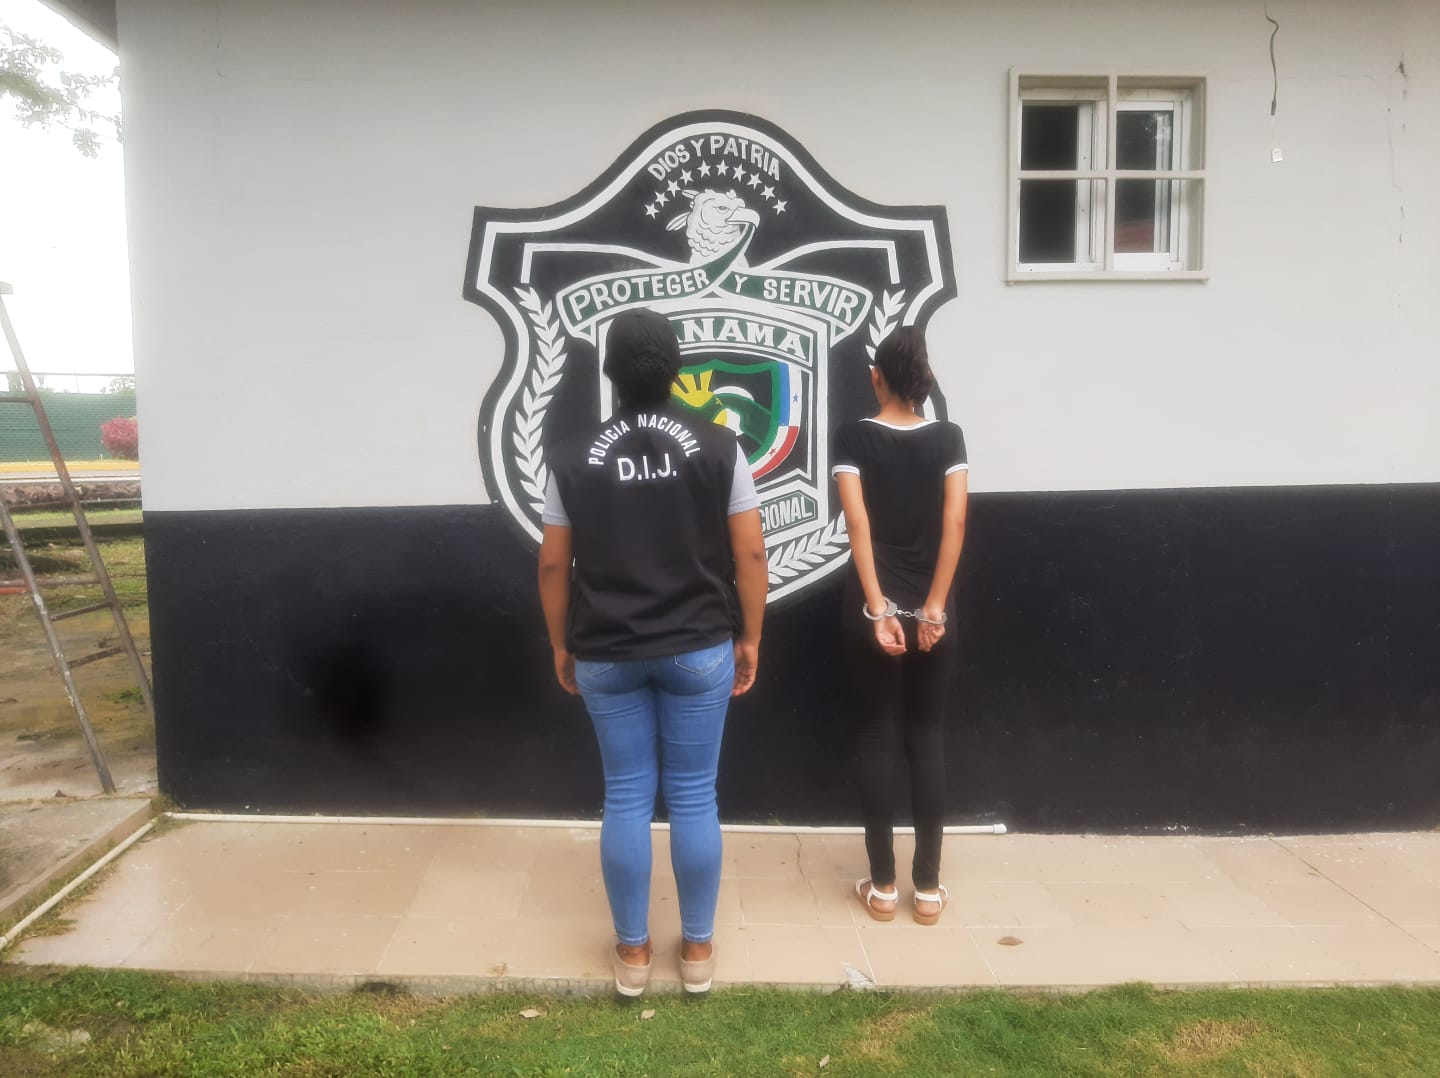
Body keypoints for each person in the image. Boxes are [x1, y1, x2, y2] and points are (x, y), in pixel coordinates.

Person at [537, 308, 769, 997]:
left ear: (610, 372)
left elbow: (552, 565)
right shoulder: (721, 447)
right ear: (676, 370)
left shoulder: (571, 456)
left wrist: (561, 644)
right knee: (695, 795)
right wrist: (751, 637)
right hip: (698, 647)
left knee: (626, 796)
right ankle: (696, 951)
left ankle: (634, 954)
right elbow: (751, 554)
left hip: (606, 651)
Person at [831, 326, 968, 926]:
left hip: (870, 609)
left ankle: (883, 887)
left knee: (876, 735)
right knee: (926, 737)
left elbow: (857, 524)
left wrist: (878, 608)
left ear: (876, 377)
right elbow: (955, 521)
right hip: (933, 610)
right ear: (925, 381)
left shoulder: (852, 436)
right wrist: (934, 607)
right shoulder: (949, 437)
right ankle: (929, 889)